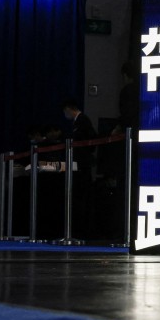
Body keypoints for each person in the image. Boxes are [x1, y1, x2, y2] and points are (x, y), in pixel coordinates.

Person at [62, 98, 97, 237]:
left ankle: (83, 230)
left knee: (82, 195)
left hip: (82, 163)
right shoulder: (79, 121)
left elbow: (90, 138)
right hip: (80, 162)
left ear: (69, 109)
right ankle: (79, 228)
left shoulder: (83, 120)